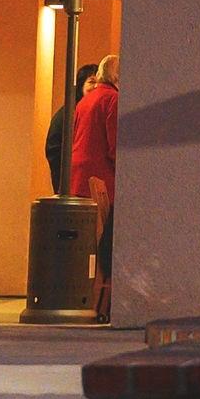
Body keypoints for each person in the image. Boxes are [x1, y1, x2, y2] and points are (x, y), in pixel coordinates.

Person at [74, 55, 120, 318]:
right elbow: (115, 148)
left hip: (80, 180)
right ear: (117, 77)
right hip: (103, 181)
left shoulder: (85, 101)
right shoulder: (112, 99)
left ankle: (93, 300)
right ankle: (108, 301)